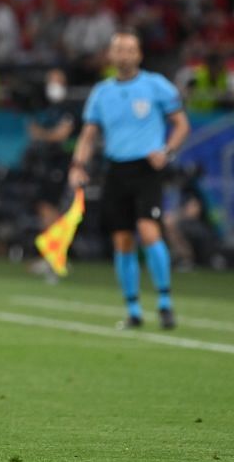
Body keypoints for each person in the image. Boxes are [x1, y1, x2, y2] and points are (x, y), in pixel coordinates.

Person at [69, 29, 190, 329]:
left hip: (146, 169)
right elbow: (88, 134)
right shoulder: (101, 92)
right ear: (111, 55)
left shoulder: (155, 85)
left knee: (149, 232)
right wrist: (78, 164)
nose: (123, 54)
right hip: (116, 169)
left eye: (129, 49)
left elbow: (181, 124)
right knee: (122, 240)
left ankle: (165, 303)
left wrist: (168, 151)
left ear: (139, 54)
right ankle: (134, 310)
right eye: (118, 49)